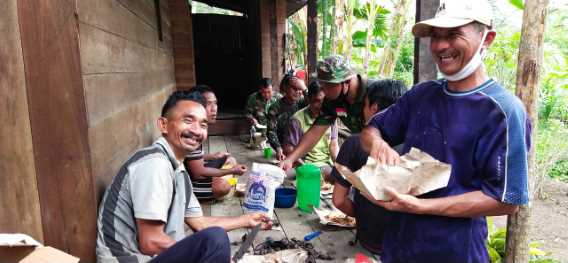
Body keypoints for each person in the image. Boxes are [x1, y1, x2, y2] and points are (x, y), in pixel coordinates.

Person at [360, 1, 531, 262]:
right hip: (398, 246)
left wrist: (420, 207)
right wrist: (378, 145)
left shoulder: (504, 111)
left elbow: (506, 200)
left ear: (487, 38)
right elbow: (371, 130)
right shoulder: (422, 94)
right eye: (435, 36)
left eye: (453, 34)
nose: (440, 46)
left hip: (454, 251)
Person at [96, 91, 271, 263]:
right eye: (188, 120)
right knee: (215, 240)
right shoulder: (154, 164)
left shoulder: (178, 172)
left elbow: (200, 223)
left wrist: (246, 220)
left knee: (212, 241)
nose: (196, 130)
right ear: (163, 125)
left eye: (203, 125)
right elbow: (151, 241)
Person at [330, 79, 407, 257]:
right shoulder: (419, 146)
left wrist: (364, 218)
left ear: (374, 108)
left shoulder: (354, 144)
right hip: (408, 246)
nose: (362, 111)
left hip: (369, 241)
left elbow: (338, 200)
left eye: (364, 105)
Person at [279, 55, 376, 171]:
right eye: (321, 84)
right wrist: (290, 159)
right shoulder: (332, 101)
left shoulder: (375, 94)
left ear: (346, 82)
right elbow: (316, 131)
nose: (323, 90)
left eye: (327, 85)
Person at [185, 85, 248, 201]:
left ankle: (227, 181)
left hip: (193, 171)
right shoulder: (192, 132)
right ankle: (229, 183)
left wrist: (211, 156)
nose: (214, 108)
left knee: (230, 159)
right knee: (223, 187)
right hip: (184, 184)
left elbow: (189, 157)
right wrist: (232, 171)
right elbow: (198, 173)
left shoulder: (199, 127)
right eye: (209, 104)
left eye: (215, 103)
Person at [281, 81, 340, 180]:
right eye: (317, 101)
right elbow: (288, 149)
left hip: (325, 165)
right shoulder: (297, 120)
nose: (321, 105)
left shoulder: (330, 116)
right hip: (304, 165)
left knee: (342, 180)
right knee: (279, 178)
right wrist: (305, 167)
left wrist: (339, 167)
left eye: (323, 101)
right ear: (308, 99)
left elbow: (334, 145)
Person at [267, 74, 308, 161]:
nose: (298, 92)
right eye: (294, 88)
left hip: (303, 146)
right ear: (285, 88)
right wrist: (278, 148)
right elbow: (271, 131)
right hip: (285, 149)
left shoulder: (303, 103)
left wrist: (304, 88)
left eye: (299, 89)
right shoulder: (275, 107)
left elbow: (317, 103)